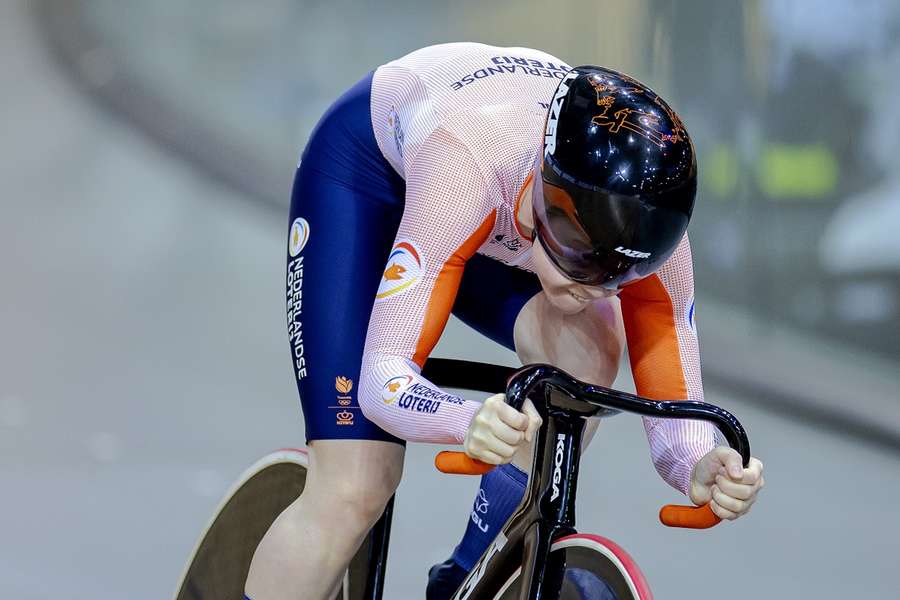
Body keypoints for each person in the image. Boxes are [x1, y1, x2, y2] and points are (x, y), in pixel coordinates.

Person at [244, 42, 765, 600]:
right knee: (354, 487)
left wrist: (701, 463)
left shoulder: (650, 227)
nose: (590, 283)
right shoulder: (467, 157)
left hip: (493, 226)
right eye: (576, 244)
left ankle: (469, 574)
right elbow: (382, 379)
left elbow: (676, 408)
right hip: (373, 187)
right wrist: (464, 420)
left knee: (588, 355)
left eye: (618, 271)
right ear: (544, 185)